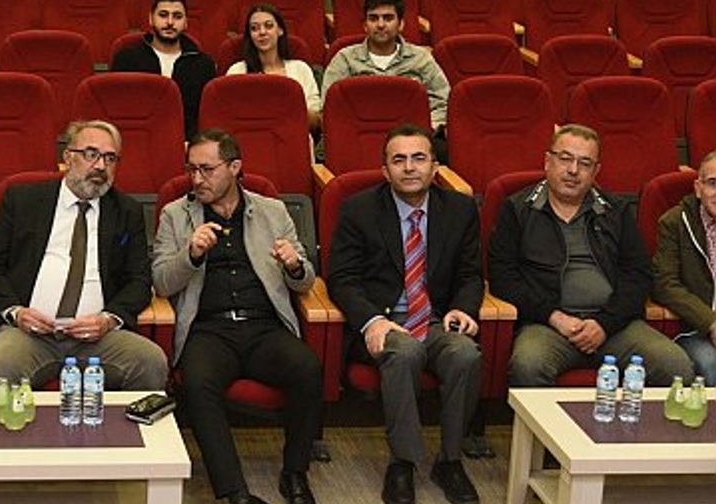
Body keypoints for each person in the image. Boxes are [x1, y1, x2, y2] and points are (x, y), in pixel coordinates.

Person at [153, 129, 320, 504]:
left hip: (264, 327)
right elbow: (161, 282)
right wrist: (190, 255)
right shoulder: (175, 215)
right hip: (208, 330)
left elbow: (306, 279)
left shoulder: (272, 211)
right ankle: (234, 492)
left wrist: (294, 266)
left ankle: (295, 473)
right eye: (191, 169)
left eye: (207, 169)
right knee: (198, 383)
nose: (197, 179)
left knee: (307, 368)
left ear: (234, 167)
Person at [327, 124, 484, 504]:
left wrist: (463, 308)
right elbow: (341, 279)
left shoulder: (460, 209)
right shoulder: (359, 210)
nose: (410, 167)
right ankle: (403, 463)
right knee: (406, 352)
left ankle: (450, 460)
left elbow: (470, 274)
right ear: (385, 171)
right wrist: (372, 320)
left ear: (435, 167)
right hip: (384, 322)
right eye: (399, 160)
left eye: (419, 158)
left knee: (465, 354)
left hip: (435, 319)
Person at [488, 124, 694, 387]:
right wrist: (555, 317)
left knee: (675, 366)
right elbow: (503, 278)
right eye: (565, 159)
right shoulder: (517, 209)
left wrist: (604, 323)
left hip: (614, 326)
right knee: (528, 365)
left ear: (596, 171)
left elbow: (638, 276)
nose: (573, 170)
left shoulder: (615, 211)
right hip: (547, 325)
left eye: (585, 163)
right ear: (548, 161)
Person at [0, 120, 169, 389]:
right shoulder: (23, 200)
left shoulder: (126, 211)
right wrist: (17, 313)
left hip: (97, 339)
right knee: (3, 364)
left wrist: (108, 319)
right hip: (28, 334)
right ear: (67, 157)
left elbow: (139, 281)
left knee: (151, 361)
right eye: (91, 154)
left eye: (110, 158)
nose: (100, 166)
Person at [322, 0, 450, 133]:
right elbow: (329, 106)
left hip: (413, 137)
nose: (381, 25)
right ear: (365, 25)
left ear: (401, 24)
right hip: (360, 135)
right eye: (373, 18)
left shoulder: (421, 59)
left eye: (388, 18)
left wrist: (424, 129)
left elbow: (443, 101)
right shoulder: (344, 59)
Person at [111, 0, 216, 137]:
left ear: (186, 23)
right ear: (151, 19)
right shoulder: (127, 60)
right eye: (163, 15)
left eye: (177, 16)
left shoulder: (203, 65)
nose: (170, 22)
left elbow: (206, 116)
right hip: (136, 137)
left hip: (187, 142)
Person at [652, 151, 716, 381]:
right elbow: (664, 284)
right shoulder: (674, 222)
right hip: (694, 329)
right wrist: (710, 322)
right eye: (713, 183)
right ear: (698, 188)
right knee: (712, 364)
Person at [227, 4, 320, 128]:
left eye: (268, 25)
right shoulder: (237, 71)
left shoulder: (300, 69)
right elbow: (228, 116)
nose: (262, 32)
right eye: (254, 28)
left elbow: (316, 119)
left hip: (293, 133)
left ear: (280, 30)